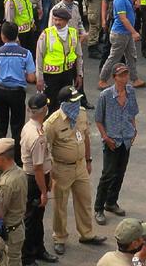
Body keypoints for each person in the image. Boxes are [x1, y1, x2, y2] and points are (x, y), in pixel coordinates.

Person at [43, 86, 105, 253]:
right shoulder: (52, 123)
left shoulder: (81, 114)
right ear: (64, 103)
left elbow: (85, 138)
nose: (77, 105)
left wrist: (88, 160)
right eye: (74, 102)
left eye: (79, 101)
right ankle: (60, 237)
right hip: (62, 168)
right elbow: (45, 150)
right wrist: (48, 174)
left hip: (80, 166)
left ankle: (87, 234)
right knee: (60, 205)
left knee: (85, 201)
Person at [94, 63, 138, 226]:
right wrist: (105, 137)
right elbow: (98, 119)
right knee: (107, 174)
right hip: (112, 140)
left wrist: (134, 129)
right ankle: (99, 208)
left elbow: (132, 112)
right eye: (121, 75)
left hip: (125, 139)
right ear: (114, 77)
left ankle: (111, 202)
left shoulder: (131, 92)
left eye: (126, 74)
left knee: (120, 172)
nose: (124, 78)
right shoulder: (105, 96)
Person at [0, 22, 37, 162]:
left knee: (0, 127)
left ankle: (0, 158)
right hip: (17, 93)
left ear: (2, 36)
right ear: (17, 36)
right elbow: (31, 77)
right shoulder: (25, 53)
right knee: (17, 127)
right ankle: (17, 159)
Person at [20, 92, 58, 263]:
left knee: (37, 218)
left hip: (38, 178)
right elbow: (37, 168)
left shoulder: (31, 126)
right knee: (32, 219)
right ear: (44, 109)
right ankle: (28, 256)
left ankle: (38, 249)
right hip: (35, 181)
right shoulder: (37, 136)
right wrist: (44, 191)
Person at [101, 0, 146, 89]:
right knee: (114, 58)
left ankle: (135, 79)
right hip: (120, 34)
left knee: (131, 56)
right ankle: (102, 80)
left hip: (125, 33)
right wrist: (134, 32)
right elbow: (123, 18)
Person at [0, 137, 27, 266]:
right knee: (16, 259)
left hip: (10, 232)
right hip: (18, 226)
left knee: (11, 262)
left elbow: (0, 212)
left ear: (2, 159)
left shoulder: (6, 183)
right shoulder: (20, 172)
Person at [34, 7, 81, 111]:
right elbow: (39, 58)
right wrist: (39, 78)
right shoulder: (46, 34)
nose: (57, 22)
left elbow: (79, 55)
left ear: (66, 21)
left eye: (60, 20)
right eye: (55, 19)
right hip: (51, 76)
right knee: (51, 103)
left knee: (66, 101)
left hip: (67, 73)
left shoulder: (73, 33)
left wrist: (79, 74)